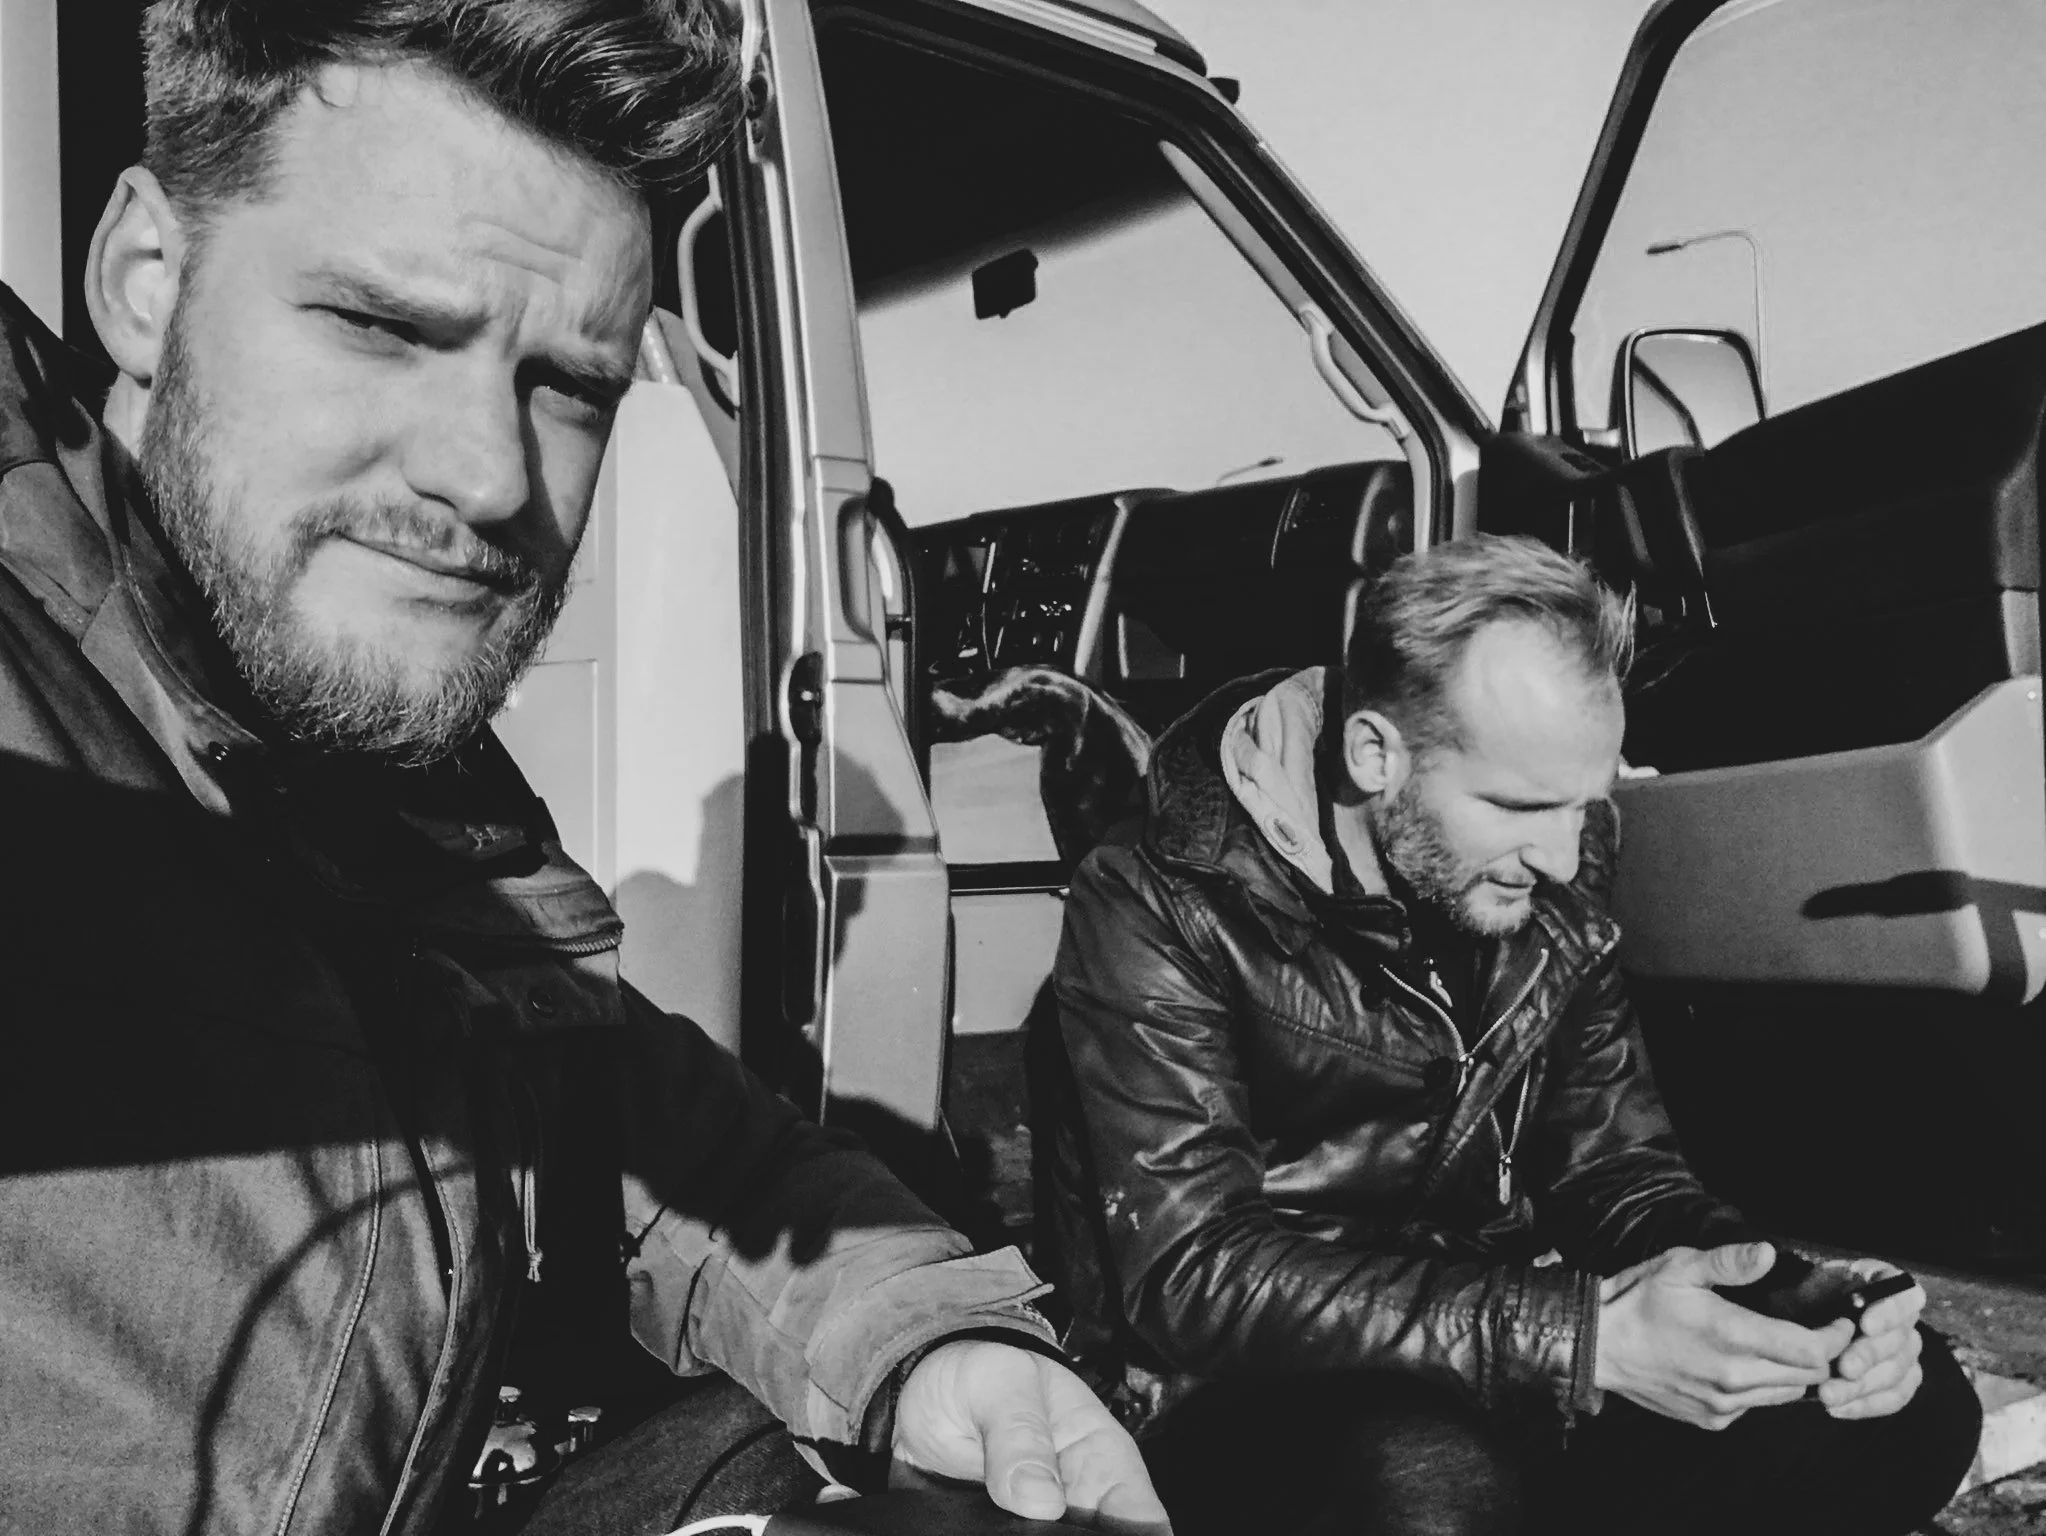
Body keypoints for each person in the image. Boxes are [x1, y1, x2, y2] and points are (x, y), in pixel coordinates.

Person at [0, 4, 1168, 1533]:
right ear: (147, 281)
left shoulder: (388, 793)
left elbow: (657, 1150)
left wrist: (930, 1345)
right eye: (385, 325)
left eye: (569, 386)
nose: (490, 475)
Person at [1038, 534, 1981, 1535]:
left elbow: (1613, 1168)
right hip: (1240, 1384)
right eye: (1522, 806)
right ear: (1375, 755)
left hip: (1504, 1344)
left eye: (1586, 804)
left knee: (1909, 1408)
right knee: (1427, 1481)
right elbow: (1196, 1274)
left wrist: (1782, 1293)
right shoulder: (1156, 896)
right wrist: (1578, 1338)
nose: (1566, 856)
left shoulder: (1549, 864)